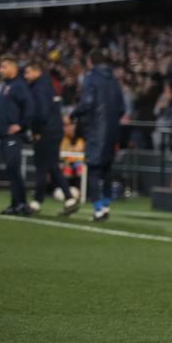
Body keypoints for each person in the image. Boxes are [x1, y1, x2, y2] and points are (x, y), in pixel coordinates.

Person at [71, 51, 125, 222]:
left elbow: (87, 103)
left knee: (93, 169)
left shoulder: (91, 78)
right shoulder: (114, 81)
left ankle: (98, 209)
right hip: (112, 131)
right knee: (107, 169)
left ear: (90, 61)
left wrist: (74, 114)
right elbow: (122, 108)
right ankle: (106, 205)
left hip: (96, 130)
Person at [24, 61, 79, 216]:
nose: (26, 76)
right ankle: (69, 199)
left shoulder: (38, 88)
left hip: (45, 131)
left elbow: (40, 112)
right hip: (55, 130)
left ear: (36, 71)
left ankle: (36, 203)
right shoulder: (50, 86)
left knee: (42, 166)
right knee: (52, 166)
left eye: (28, 72)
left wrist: (36, 130)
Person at [0, 56, 33, 215]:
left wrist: (21, 125)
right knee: (12, 170)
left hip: (12, 136)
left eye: (3, 67)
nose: (0, 70)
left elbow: (30, 107)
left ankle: (19, 204)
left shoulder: (19, 85)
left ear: (12, 68)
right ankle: (19, 204)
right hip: (4, 135)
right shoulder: (7, 85)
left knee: (13, 168)